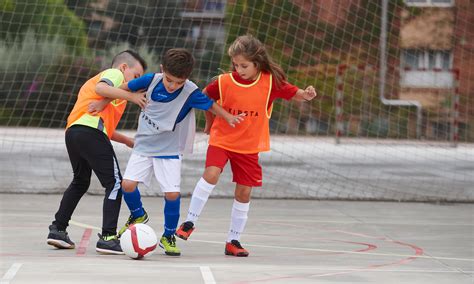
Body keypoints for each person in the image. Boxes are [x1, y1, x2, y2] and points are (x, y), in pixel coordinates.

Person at [89, 48, 245, 256]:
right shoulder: (150, 80)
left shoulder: (190, 91)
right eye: (169, 80)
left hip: (169, 149)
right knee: (127, 184)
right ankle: (138, 215)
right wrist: (102, 102)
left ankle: (169, 235)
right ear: (162, 70)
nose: (173, 86)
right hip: (143, 145)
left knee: (171, 194)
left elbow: (211, 105)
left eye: (179, 82)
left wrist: (227, 117)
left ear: (186, 79)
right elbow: (123, 88)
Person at [175, 35, 317, 257]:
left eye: (244, 65)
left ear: (257, 64)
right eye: (235, 65)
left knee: (244, 192)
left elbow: (293, 92)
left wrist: (306, 95)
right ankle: (189, 222)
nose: (238, 69)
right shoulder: (223, 82)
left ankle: (233, 240)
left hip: (249, 146)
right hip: (222, 140)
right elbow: (204, 98)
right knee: (211, 174)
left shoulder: (270, 82)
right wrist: (209, 123)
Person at [47, 50, 148, 255]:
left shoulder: (114, 99)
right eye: (135, 76)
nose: (136, 82)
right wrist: (132, 95)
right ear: (123, 68)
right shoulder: (114, 74)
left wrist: (128, 141)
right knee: (115, 183)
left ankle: (57, 230)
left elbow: (104, 127)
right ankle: (108, 237)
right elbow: (103, 88)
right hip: (89, 132)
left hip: (75, 133)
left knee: (80, 181)